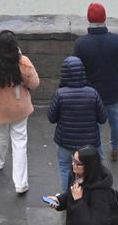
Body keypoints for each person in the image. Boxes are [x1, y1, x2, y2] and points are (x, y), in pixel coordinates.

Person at [0, 30, 40, 194]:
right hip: (20, 108)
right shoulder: (24, 63)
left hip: (0, 109)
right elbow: (35, 83)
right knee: (20, 142)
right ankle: (21, 183)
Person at [73, 2, 118, 160]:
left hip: (90, 92)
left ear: (88, 19)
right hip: (112, 89)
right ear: (105, 18)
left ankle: (97, 154)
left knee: (94, 125)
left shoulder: (81, 44)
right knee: (114, 121)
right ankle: (115, 146)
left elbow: (77, 69)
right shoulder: (117, 42)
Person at [45, 55, 105, 196]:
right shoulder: (93, 93)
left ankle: (68, 197)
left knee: (65, 168)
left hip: (66, 142)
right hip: (89, 144)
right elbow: (102, 118)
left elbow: (51, 118)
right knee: (91, 169)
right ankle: (90, 194)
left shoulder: (60, 94)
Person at [42, 147, 118, 223]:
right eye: (73, 160)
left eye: (77, 163)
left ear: (88, 166)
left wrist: (78, 201)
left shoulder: (100, 193)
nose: (73, 164)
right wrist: (59, 200)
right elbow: (71, 194)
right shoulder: (76, 175)